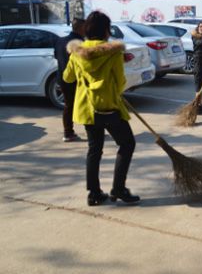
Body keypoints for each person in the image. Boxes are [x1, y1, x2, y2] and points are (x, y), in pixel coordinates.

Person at [63, 11, 140, 206]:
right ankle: (118, 188)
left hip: (87, 110)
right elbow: (120, 80)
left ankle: (94, 193)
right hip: (109, 107)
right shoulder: (113, 52)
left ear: (87, 29)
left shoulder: (76, 52)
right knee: (127, 144)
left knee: (94, 150)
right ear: (106, 30)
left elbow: (67, 78)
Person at [54, 18, 86, 142]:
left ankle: (68, 133)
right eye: (85, 27)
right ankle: (93, 130)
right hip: (78, 80)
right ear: (81, 28)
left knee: (68, 106)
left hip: (62, 78)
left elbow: (57, 56)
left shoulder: (60, 41)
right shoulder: (81, 43)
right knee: (87, 105)